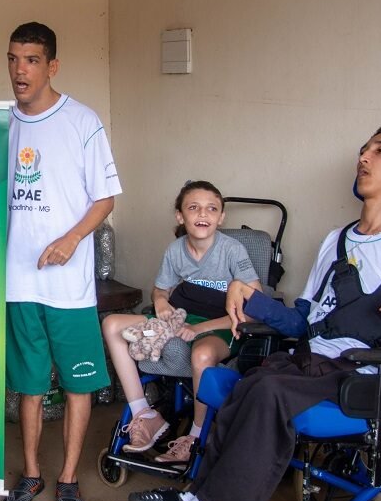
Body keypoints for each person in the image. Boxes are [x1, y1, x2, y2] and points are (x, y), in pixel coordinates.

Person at [129, 126, 381, 501]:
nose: (364, 157)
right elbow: (304, 321)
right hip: (312, 361)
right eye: (363, 150)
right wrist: (252, 298)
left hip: (364, 373)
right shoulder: (337, 240)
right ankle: (194, 496)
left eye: (380, 151)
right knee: (249, 383)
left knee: (270, 392)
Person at [0, 22, 122, 501]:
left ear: (51, 66)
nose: (20, 70)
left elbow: (105, 197)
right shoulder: (0, 124)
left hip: (69, 288)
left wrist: (72, 239)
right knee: (28, 386)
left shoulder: (81, 120)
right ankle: (31, 474)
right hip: (18, 280)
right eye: (13, 59)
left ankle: (68, 479)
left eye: (31, 60)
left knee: (77, 385)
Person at [101, 181, 261, 463]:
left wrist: (199, 329)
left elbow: (256, 307)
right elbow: (160, 290)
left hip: (221, 325)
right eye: (194, 207)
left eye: (212, 209)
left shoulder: (232, 250)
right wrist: (161, 302)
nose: (203, 214)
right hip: (180, 319)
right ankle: (144, 414)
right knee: (112, 324)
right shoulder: (175, 250)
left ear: (221, 217)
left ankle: (196, 436)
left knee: (201, 353)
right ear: (180, 216)